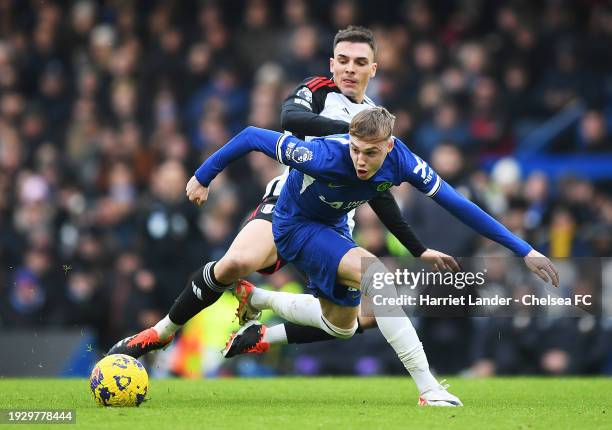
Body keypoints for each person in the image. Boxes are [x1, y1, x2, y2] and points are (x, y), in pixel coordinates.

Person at [108, 26, 456, 356]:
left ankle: (263, 326)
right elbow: (288, 118)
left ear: (374, 69)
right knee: (235, 263)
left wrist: (417, 247)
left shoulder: (376, 124)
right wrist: (205, 174)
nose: (350, 69)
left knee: (360, 319)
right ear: (332, 64)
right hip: (288, 205)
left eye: (360, 62)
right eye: (343, 60)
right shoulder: (319, 91)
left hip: (333, 223)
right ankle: (161, 333)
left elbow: (379, 191)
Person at [184, 108, 559, 406]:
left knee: (343, 326)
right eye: (356, 149)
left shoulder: (405, 162)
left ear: (390, 146)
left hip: (333, 228)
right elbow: (251, 135)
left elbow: (458, 205)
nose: (361, 160)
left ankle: (259, 300)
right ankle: (429, 388)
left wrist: (523, 249)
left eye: (371, 152)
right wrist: (203, 176)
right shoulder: (321, 154)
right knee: (376, 275)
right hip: (294, 225)